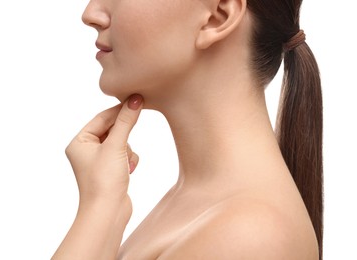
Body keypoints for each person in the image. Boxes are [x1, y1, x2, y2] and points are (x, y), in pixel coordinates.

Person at [52, 0, 323, 259]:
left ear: (218, 15)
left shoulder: (251, 236)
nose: (91, 14)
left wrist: (97, 214)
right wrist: (105, 207)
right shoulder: (203, 211)